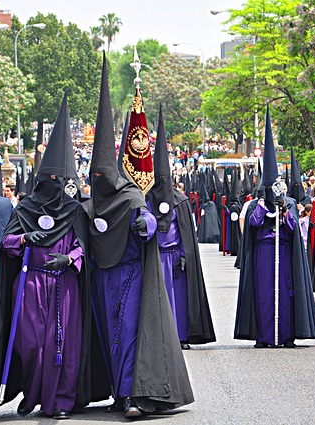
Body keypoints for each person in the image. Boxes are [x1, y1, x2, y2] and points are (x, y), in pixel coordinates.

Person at [0, 93, 100, 419]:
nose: (52, 184)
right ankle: (34, 395)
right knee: (30, 346)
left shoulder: (74, 211)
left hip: (64, 285)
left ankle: (62, 402)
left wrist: (69, 260)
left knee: (64, 345)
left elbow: (84, 247)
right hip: (30, 286)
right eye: (48, 179)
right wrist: (25, 237)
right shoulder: (24, 208)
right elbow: (8, 243)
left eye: (58, 179)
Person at [88, 55, 193, 418]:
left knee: (131, 334)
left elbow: (147, 219)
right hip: (102, 278)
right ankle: (118, 390)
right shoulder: (91, 202)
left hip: (131, 274)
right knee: (108, 337)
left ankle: (136, 393)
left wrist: (142, 225)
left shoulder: (130, 195)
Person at [235, 107, 315, 348]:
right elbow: (252, 224)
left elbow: (294, 228)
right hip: (263, 252)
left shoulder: (290, 203)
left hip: (284, 252)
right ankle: (263, 336)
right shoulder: (256, 205)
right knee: (263, 294)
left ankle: (286, 334)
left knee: (285, 293)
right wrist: (264, 206)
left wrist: (283, 209)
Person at [147, 104, 215, 350]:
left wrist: (185, 255)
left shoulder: (181, 201)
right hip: (155, 257)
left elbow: (188, 235)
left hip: (176, 259)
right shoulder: (145, 201)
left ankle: (181, 336)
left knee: (179, 298)